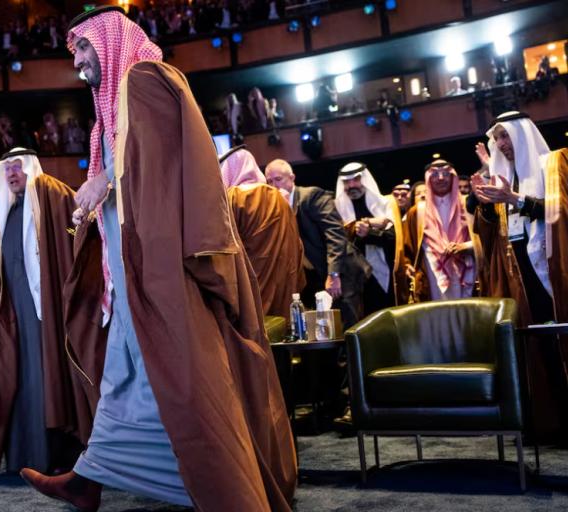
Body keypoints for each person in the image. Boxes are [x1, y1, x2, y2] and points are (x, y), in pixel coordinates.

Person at [20, 7, 296, 511]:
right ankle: (90, 475)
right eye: (75, 51)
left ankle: (225, 489)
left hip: (158, 267)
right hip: (134, 269)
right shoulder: (116, 105)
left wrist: (105, 179)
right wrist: (100, 195)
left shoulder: (145, 79)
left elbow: (165, 165)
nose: (78, 60)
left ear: (110, 40)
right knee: (126, 370)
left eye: (84, 47)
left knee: (172, 372)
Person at [0, 147, 90, 474]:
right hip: (9, 313)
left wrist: (40, 187)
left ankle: (55, 456)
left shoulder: (50, 197)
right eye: (7, 169)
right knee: (13, 377)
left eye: (18, 167)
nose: (12, 173)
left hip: (45, 313)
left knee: (46, 377)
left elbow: (76, 219)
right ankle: (21, 457)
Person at [471, 111, 568, 437]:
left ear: (523, 134)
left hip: (550, 270)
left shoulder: (553, 165)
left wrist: (516, 199)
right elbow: (489, 234)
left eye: (505, 135)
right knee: (530, 347)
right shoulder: (503, 176)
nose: (501, 143)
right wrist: (486, 205)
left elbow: (560, 210)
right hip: (517, 275)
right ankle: (544, 423)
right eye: (497, 137)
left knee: (557, 341)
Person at [265, 159, 368, 328]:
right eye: (269, 181)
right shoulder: (275, 206)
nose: (274, 185)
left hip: (341, 272)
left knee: (350, 327)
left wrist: (333, 275)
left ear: (292, 178)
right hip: (315, 278)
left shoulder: (312, 196)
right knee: (326, 331)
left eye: (278, 179)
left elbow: (336, 235)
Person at [219, 146, 304, 319]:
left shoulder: (232, 198)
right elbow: (297, 246)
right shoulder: (281, 198)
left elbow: (224, 251)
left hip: (252, 295)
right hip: (285, 290)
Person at [402, 160, 476, 302]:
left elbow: (484, 238)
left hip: (467, 270)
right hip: (432, 276)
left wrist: (466, 246)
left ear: (453, 177)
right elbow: (408, 246)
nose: (441, 178)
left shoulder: (468, 204)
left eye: (446, 174)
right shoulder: (417, 211)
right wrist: (406, 264)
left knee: (466, 312)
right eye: (435, 174)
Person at [335, 162, 403, 314]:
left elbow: (395, 239)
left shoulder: (385, 204)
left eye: (356, 179)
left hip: (384, 272)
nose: (351, 185)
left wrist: (369, 233)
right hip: (353, 278)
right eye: (346, 182)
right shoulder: (337, 210)